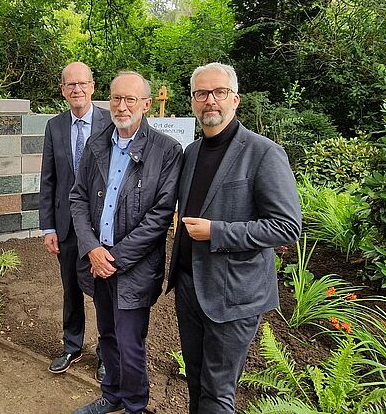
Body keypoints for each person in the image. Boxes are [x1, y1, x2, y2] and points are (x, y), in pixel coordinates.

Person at [167, 62, 302, 414]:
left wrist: (217, 231)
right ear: (193, 101)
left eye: (219, 92)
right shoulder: (192, 153)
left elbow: (287, 226)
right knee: (195, 379)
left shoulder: (263, 153)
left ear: (235, 99)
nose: (210, 100)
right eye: (201, 93)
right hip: (190, 286)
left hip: (234, 294)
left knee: (217, 391)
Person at [69, 71, 183, 414]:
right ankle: (112, 395)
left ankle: (135, 405)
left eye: (130, 99)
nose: (121, 106)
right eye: (116, 98)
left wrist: (114, 258)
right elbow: (78, 199)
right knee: (106, 335)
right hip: (96, 260)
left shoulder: (167, 151)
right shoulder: (97, 143)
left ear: (146, 104)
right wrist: (92, 248)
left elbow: (160, 217)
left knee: (130, 343)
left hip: (132, 268)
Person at [40, 62, 110, 381]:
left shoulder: (111, 123)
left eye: (82, 84)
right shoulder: (54, 127)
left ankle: (107, 354)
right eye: (70, 85)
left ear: (93, 87)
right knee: (71, 289)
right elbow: (48, 179)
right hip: (66, 226)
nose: (77, 89)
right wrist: (49, 227)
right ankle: (72, 345)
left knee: (104, 293)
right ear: (63, 90)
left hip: (101, 227)